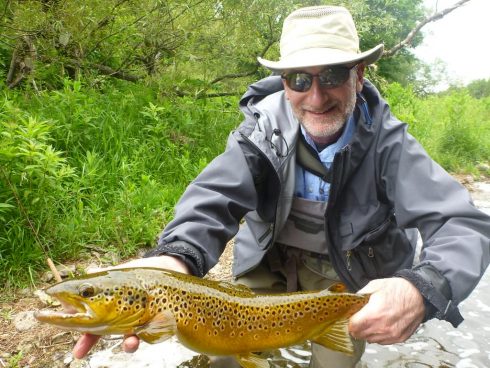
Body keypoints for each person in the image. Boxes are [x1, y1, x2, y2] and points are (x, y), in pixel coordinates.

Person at [73, 5, 490, 368]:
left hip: (346, 274)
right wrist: (175, 258)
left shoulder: (390, 145)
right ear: (285, 81)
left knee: (335, 363)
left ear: (359, 75)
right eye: (299, 79)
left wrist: (421, 287)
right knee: (223, 355)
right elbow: (212, 201)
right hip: (268, 263)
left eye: (331, 74)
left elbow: (463, 226)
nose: (316, 95)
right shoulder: (259, 132)